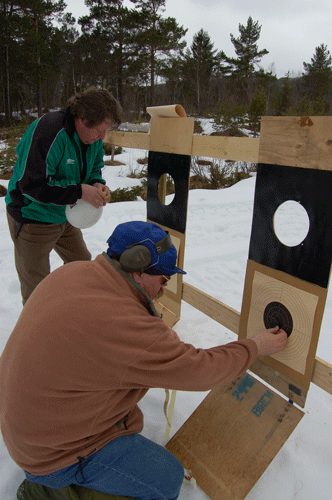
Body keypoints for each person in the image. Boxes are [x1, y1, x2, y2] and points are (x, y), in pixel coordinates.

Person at [0, 221, 288, 500]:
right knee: (167, 480)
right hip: (52, 456)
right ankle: (55, 492)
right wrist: (255, 346)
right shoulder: (123, 325)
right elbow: (202, 370)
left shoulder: (76, 272)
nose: (163, 288)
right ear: (137, 270)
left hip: (30, 430)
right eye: (162, 279)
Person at [5, 86, 122, 305]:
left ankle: (71, 311)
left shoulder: (92, 139)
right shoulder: (49, 132)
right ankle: (41, 333)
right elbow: (31, 185)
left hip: (65, 215)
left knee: (81, 265)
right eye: (99, 130)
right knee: (37, 288)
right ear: (83, 118)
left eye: (106, 131)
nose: (102, 137)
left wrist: (97, 183)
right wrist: (79, 191)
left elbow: (95, 166)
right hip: (33, 216)